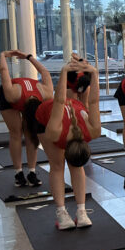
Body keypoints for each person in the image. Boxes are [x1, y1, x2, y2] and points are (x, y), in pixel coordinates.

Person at [35, 60, 101, 229]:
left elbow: (92, 102)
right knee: (57, 165)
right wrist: (91, 73)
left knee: (76, 166)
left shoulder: (91, 132)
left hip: (68, 110)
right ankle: (62, 213)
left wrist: (92, 73)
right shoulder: (55, 132)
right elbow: (58, 101)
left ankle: (81, 211)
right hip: (44, 115)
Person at [0, 50, 53, 187]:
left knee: (31, 133)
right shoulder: (11, 95)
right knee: (16, 133)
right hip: (6, 96)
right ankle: (18, 173)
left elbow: (45, 72)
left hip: (26, 97)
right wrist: (2, 55)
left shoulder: (46, 94)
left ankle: (32, 172)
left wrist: (29, 57)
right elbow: (3, 70)